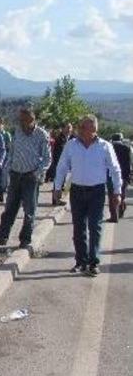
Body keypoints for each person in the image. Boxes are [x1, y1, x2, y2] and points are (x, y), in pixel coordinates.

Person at [53, 115, 121, 276]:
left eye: (86, 128)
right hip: (77, 191)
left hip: (97, 191)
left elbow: (115, 169)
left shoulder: (105, 146)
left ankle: (93, 262)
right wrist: (57, 187)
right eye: (82, 127)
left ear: (94, 129)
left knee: (95, 227)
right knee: (79, 228)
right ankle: (81, 262)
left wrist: (117, 192)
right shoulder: (71, 145)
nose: (82, 130)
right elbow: (62, 166)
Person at [0, 108, 51, 249]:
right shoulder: (18, 132)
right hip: (15, 175)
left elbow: (47, 158)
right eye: (20, 120)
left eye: (24, 120)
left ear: (32, 120)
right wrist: (8, 168)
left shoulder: (41, 135)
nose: (21, 123)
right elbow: (12, 151)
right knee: (9, 209)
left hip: (30, 176)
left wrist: (37, 172)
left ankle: (25, 239)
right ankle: (2, 236)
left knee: (29, 211)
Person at [107, 132, 131, 221]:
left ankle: (114, 216)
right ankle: (121, 209)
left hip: (111, 175)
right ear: (121, 139)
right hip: (124, 175)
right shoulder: (127, 148)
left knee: (111, 195)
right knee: (121, 194)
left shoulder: (109, 148)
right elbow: (129, 164)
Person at [0, 116, 12, 203]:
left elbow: (9, 147)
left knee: (3, 178)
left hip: (5, 159)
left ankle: (1, 192)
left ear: (2, 125)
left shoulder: (6, 134)